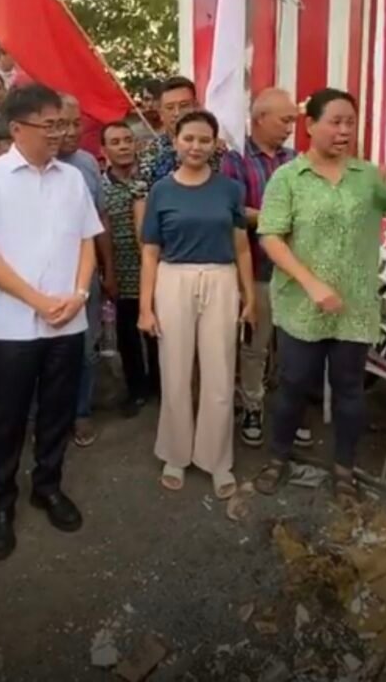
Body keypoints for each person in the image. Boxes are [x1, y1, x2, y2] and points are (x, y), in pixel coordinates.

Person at [255, 88, 386, 501]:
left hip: (354, 306)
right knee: (294, 384)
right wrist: (311, 283)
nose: (344, 130)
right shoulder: (288, 178)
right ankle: (278, 457)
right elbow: (270, 236)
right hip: (301, 306)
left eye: (350, 122)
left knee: (350, 388)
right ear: (311, 125)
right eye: (335, 122)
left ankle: (344, 469)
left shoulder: (368, 177)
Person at [0, 85, 103, 560]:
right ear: (17, 128)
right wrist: (37, 301)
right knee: (9, 417)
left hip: (67, 320)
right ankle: (0, 503)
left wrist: (79, 295)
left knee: (58, 411)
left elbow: (87, 241)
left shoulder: (72, 178)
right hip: (12, 326)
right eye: (50, 125)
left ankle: (48, 485)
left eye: (64, 124)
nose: (60, 133)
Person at [139, 110, 255, 499]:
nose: (196, 146)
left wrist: (249, 297)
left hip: (221, 279)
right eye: (189, 138)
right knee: (174, 371)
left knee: (220, 372)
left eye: (204, 140)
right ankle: (175, 453)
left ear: (214, 144)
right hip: (173, 279)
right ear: (175, 141)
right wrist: (145, 308)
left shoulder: (230, 190)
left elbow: (242, 246)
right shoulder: (161, 191)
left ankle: (216, 458)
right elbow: (150, 252)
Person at [221, 88, 298, 447]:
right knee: (256, 345)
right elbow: (235, 211)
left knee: (296, 347)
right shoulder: (235, 160)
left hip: (296, 271)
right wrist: (282, 219)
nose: (290, 128)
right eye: (285, 120)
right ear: (260, 118)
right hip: (256, 269)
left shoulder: (296, 160)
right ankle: (253, 405)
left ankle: (292, 410)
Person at [59, 94, 116, 448]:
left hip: (87, 273)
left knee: (86, 346)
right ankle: (47, 413)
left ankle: (81, 411)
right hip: (45, 277)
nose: (69, 131)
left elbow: (100, 220)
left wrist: (108, 269)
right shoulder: (35, 166)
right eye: (60, 124)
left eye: (75, 123)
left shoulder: (87, 163)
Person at [101, 121, 158, 415]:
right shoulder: (100, 188)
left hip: (155, 270)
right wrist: (108, 273)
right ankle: (136, 389)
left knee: (157, 334)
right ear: (104, 150)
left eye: (127, 140)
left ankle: (160, 385)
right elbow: (101, 234)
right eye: (115, 142)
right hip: (121, 272)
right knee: (128, 336)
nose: (123, 146)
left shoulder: (153, 181)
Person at [138, 76, 222, 187]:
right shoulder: (149, 155)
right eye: (170, 107)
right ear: (161, 113)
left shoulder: (217, 151)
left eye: (184, 106)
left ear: (196, 107)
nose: (177, 113)